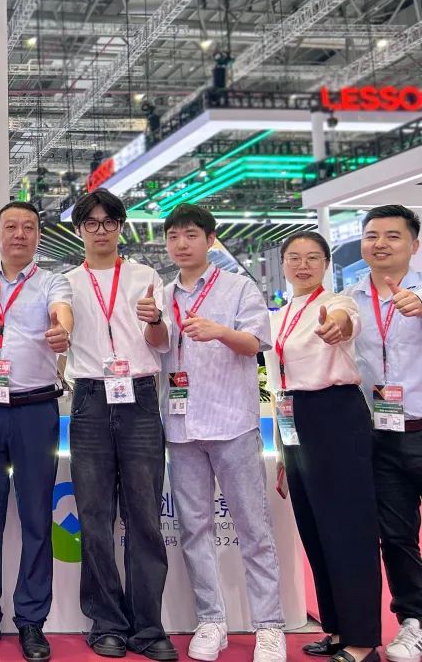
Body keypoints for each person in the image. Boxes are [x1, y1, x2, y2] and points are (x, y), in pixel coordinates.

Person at [160, 204, 285, 662]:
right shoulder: (162, 293)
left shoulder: (238, 287)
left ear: (210, 239)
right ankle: (211, 620)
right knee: (194, 528)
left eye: (191, 235)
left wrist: (219, 332)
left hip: (232, 422)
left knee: (253, 527)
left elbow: (255, 343)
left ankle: (269, 625)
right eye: (173, 236)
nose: (181, 244)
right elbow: (155, 346)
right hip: (180, 427)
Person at [62, 188, 175, 661]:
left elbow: (162, 342)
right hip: (90, 398)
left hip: (139, 399)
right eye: (91, 223)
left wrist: (155, 320)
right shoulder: (67, 282)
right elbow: (60, 327)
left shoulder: (145, 277)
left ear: (120, 227)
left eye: (109, 222)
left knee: (145, 516)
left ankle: (148, 627)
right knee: (94, 517)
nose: (101, 230)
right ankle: (106, 621)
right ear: (80, 230)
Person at [0, 200, 70, 662]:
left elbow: (62, 316)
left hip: (35, 409)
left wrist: (62, 331)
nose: (19, 234)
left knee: (36, 517)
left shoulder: (52, 281)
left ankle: (31, 620)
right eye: (11, 227)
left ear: (37, 236)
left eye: (28, 227)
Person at [267, 232, 379, 662]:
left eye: (312, 257)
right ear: (283, 264)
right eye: (294, 258)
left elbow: (345, 323)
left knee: (347, 528)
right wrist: (282, 451)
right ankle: (335, 628)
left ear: (326, 264)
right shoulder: (279, 315)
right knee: (314, 528)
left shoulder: (339, 303)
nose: (303, 265)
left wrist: (338, 327)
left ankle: (363, 640)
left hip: (335, 415)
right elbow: (278, 382)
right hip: (293, 418)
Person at [343, 205, 422, 662]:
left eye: (393, 235)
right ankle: (414, 619)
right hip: (379, 435)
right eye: (372, 235)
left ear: (414, 244)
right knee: (395, 534)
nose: (380, 243)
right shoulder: (349, 299)